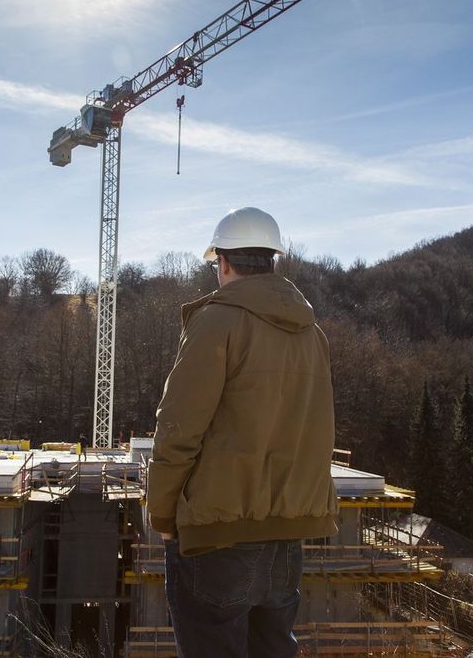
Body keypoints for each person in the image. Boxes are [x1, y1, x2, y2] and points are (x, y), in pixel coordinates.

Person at [148, 207, 338, 658]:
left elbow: (179, 426)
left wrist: (162, 514)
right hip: (287, 533)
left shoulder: (217, 321)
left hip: (219, 532)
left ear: (225, 262)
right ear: (272, 260)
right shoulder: (312, 334)